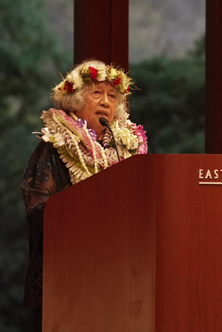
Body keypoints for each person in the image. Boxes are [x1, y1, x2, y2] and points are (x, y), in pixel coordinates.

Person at [20, 59, 148, 331]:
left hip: (120, 276)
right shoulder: (53, 147)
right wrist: (87, 214)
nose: (105, 102)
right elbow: (36, 208)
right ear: (76, 100)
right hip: (67, 277)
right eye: (96, 94)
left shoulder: (128, 150)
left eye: (112, 96)